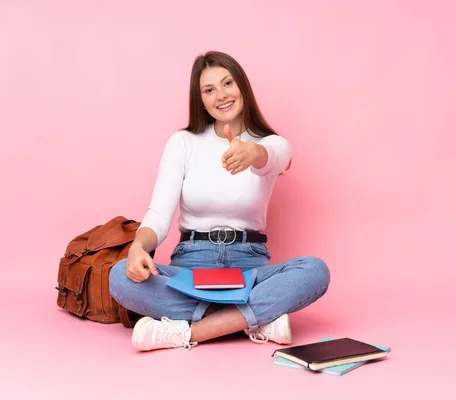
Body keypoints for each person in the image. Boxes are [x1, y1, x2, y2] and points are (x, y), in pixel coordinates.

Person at [109, 51, 331, 352]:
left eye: (227, 83)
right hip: (191, 264)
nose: (221, 95)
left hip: (249, 266)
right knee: (119, 276)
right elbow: (159, 214)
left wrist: (254, 153)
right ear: (200, 99)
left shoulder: (270, 143)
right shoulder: (183, 143)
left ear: (242, 86)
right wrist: (138, 247)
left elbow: (275, 158)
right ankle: (255, 319)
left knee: (315, 271)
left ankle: (189, 332)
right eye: (209, 90)